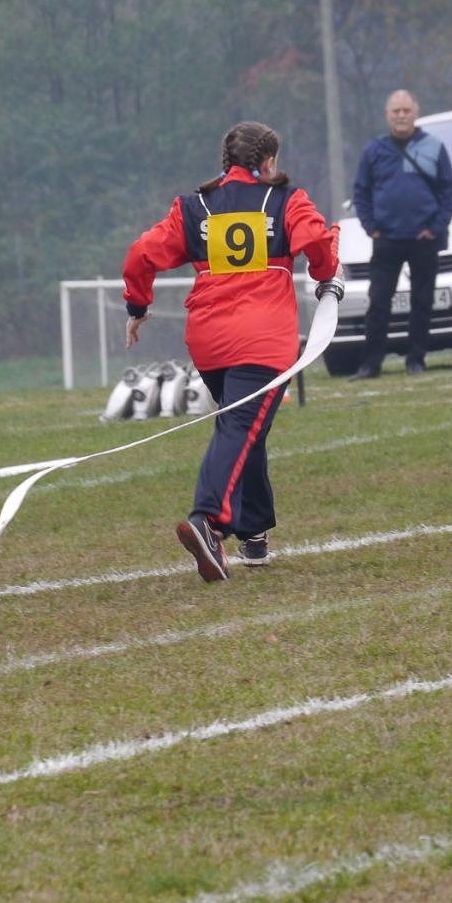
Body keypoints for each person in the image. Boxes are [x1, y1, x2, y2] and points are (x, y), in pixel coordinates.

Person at [122, 121, 342, 583]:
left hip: (208, 337)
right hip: (261, 336)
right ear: (268, 163)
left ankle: (254, 533)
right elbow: (317, 243)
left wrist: (138, 305)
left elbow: (141, 253)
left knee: (245, 430)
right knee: (240, 426)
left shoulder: (194, 206)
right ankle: (208, 519)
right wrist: (328, 274)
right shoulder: (285, 199)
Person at [349, 88, 452, 379]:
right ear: (387, 115)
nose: (401, 116)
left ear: (416, 112)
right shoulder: (374, 151)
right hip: (386, 240)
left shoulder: (434, 147)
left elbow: (449, 193)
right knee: (379, 303)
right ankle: (371, 364)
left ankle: (416, 360)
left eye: (406, 110)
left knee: (422, 302)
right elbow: (361, 193)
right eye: (395, 111)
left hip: (424, 240)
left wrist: (436, 228)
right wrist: (371, 227)